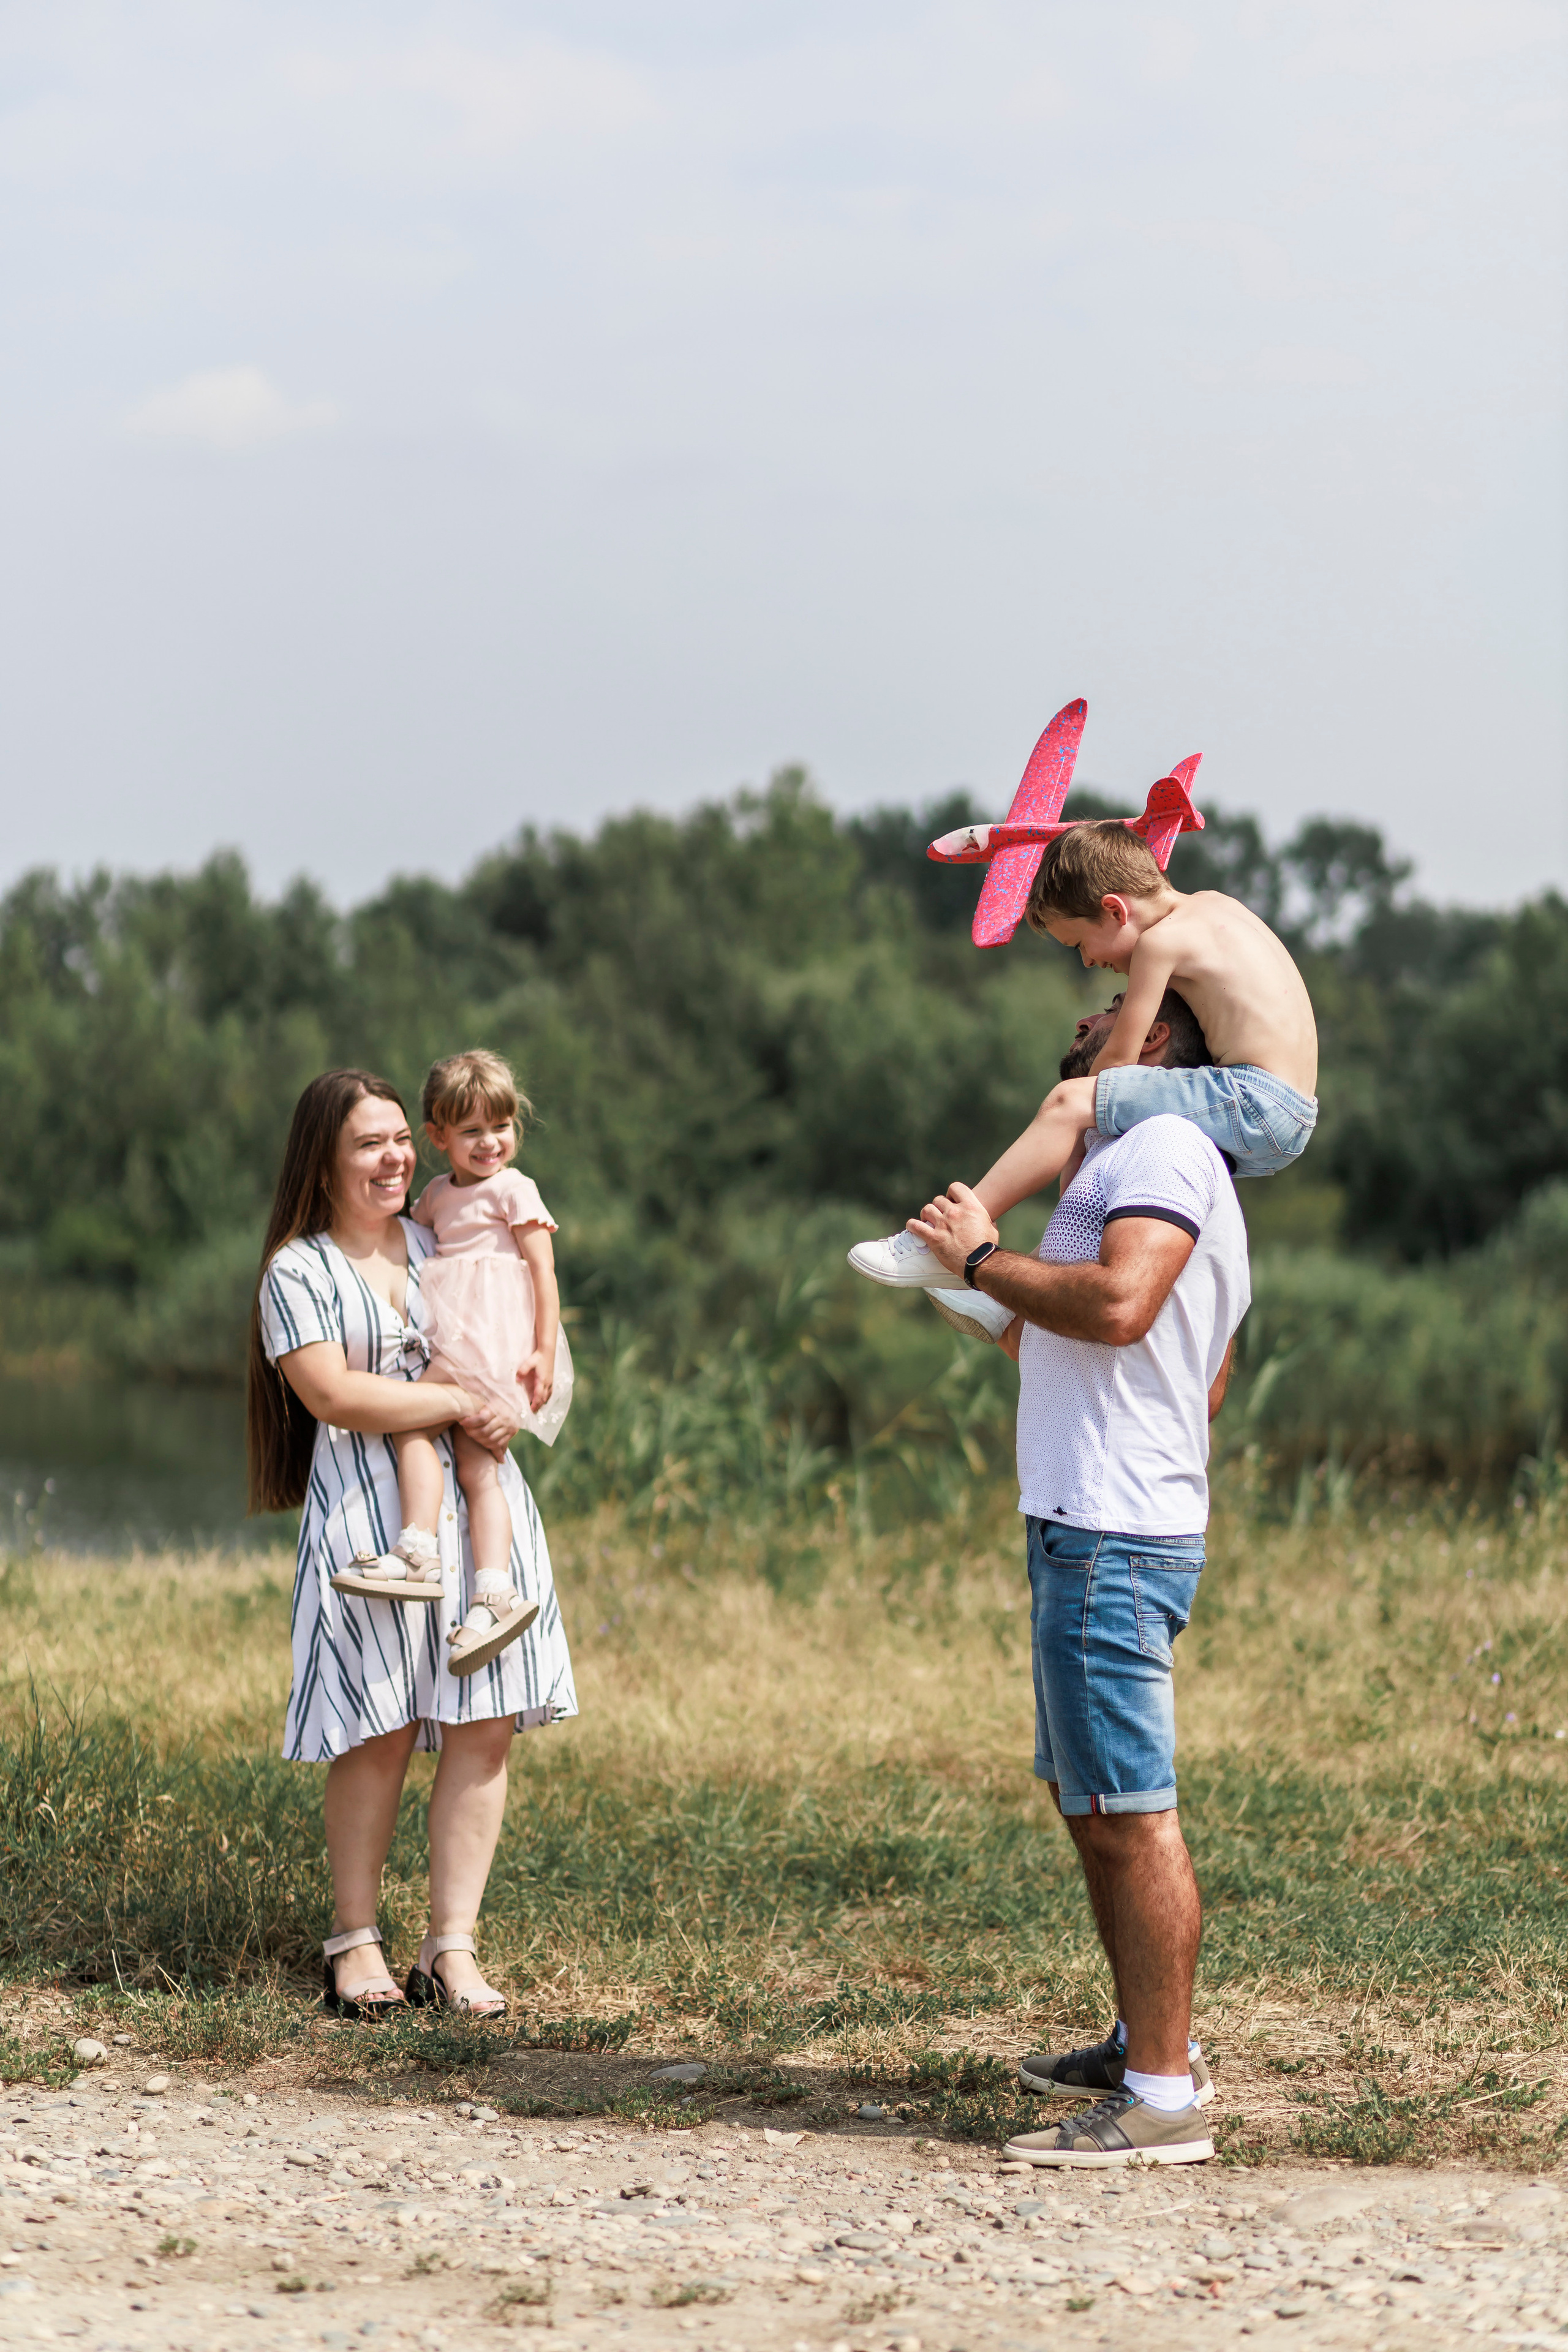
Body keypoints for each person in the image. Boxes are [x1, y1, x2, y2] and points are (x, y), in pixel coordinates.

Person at [908, 995, 1250, 2168]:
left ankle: (1161, 2101)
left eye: (1112, 1001)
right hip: (1092, 1522)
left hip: (1110, 1530)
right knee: (1094, 1804)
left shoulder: (1162, 1145)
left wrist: (986, 1255)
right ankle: (1142, 2045)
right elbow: (1182, 1373)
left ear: (1157, 1041)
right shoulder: (1152, 1161)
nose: (1083, 1008)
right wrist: (985, 1298)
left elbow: (1117, 1304)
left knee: (1130, 1815)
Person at [246, 1068, 577, 2021]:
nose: (394, 1158)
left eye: (400, 1138)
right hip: (369, 1511)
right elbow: (334, 1395)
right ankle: (354, 1940)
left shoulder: (446, 1231)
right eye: (370, 1143)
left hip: (482, 1502)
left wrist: (512, 1400)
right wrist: (459, 1398)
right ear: (322, 1162)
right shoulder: (298, 1271)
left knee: (485, 1721)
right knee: (378, 1723)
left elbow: (525, 1323)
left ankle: (451, 1944)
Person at [847, 819, 1317, 1294]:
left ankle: (942, 1240)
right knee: (1094, 1118)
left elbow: (1117, 1063)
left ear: (1114, 909)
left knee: (1069, 1103)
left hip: (1255, 1103)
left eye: (1079, 944)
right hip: (1292, 1112)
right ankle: (1039, 1271)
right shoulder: (1217, 905)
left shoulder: (1159, 943)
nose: (1089, 961)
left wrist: (1075, 1112)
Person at [339, 1049, 575, 1677]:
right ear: (438, 1137)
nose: (490, 1142)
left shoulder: (515, 1189)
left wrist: (542, 1350)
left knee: (411, 1423)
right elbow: (405, 1237)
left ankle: (418, 1551)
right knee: (476, 1467)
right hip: (456, 1338)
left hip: (490, 1342)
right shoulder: (437, 1196)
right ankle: (493, 1592)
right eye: (472, 1130)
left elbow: (543, 1272)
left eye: (501, 1126)